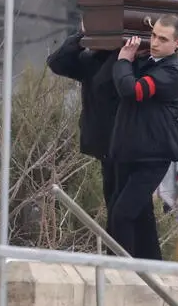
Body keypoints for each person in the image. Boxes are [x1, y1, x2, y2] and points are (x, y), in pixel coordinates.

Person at [108, 14, 178, 260]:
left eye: (163, 39)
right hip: (129, 152)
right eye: (153, 35)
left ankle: (123, 274)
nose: (154, 42)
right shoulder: (147, 61)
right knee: (141, 217)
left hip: (153, 157)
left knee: (121, 215)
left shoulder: (173, 71)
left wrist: (123, 62)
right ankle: (154, 270)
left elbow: (133, 91)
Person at [46, 20, 119, 233]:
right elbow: (57, 62)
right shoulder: (91, 61)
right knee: (114, 209)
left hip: (126, 142)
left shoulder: (125, 62)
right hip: (104, 143)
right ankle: (118, 260)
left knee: (124, 212)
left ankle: (129, 260)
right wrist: (81, 36)